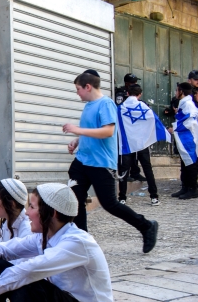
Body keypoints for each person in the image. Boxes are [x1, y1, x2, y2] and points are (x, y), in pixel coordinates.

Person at [63, 70, 158, 253]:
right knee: (75, 199)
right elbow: (91, 130)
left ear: (88, 87)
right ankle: (82, 240)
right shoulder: (89, 105)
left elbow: (107, 131)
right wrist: (77, 141)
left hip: (100, 163)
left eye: (78, 89)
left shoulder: (106, 104)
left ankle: (146, 226)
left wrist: (77, 130)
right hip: (82, 161)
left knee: (110, 203)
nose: (77, 93)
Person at [116, 84, 169, 206]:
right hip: (142, 143)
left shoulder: (121, 107)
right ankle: (154, 197)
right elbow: (153, 119)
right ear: (140, 94)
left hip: (127, 143)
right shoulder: (144, 107)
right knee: (147, 169)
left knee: (124, 170)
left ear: (127, 93)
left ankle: (122, 198)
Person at [167, 83, 198, 200]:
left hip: (189, 138)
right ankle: (185, 187)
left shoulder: (188, 104)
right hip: (185, 137)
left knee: (191, 164)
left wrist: (175, 128)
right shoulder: (185, 103)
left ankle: (193, 189)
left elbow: (190, 121)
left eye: (177, 90)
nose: (175, 93)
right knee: (185, 163)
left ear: (181, 92)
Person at [114, 73, 147, 182]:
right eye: (132, 82)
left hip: (134, 127)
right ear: (127, 83)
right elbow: (120, 107)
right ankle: (124, 173)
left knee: (135, 151)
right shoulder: (121, 93)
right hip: (124, 127)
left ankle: (135, 172)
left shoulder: (134, 94)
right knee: (124, 153)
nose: (135, 84)